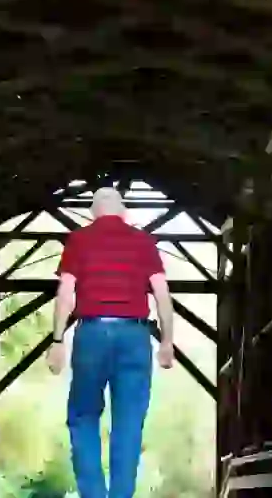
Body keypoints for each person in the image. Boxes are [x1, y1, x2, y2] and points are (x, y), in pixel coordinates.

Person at [47, 187, 176, 498]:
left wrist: (57, 339)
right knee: (129, 423)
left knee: (83, 416)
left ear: (93, 212)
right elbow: (162, 294)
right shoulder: (144, 242)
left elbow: (66, 292)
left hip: (91, 333)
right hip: (135, 336)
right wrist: (167, 342)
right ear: (123, 212)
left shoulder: (78, 240)